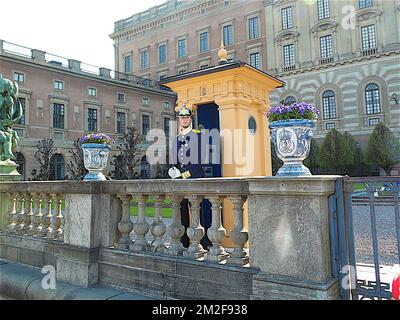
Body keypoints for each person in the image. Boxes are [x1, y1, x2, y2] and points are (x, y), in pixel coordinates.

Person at [169, 103, 212, 249]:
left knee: (197, 212)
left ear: (190, 119)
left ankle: (203, 243)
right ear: (179, 120)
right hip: (181, 181)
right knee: (182, 212)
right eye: (182, 118)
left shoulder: (198, 135)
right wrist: (172, 171)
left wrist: (182, 175)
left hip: (194, 178)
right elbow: (174, 160)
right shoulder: (176, 139)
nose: (185, 120)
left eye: (187, 117)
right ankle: (185, 242)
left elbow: (197, 162)